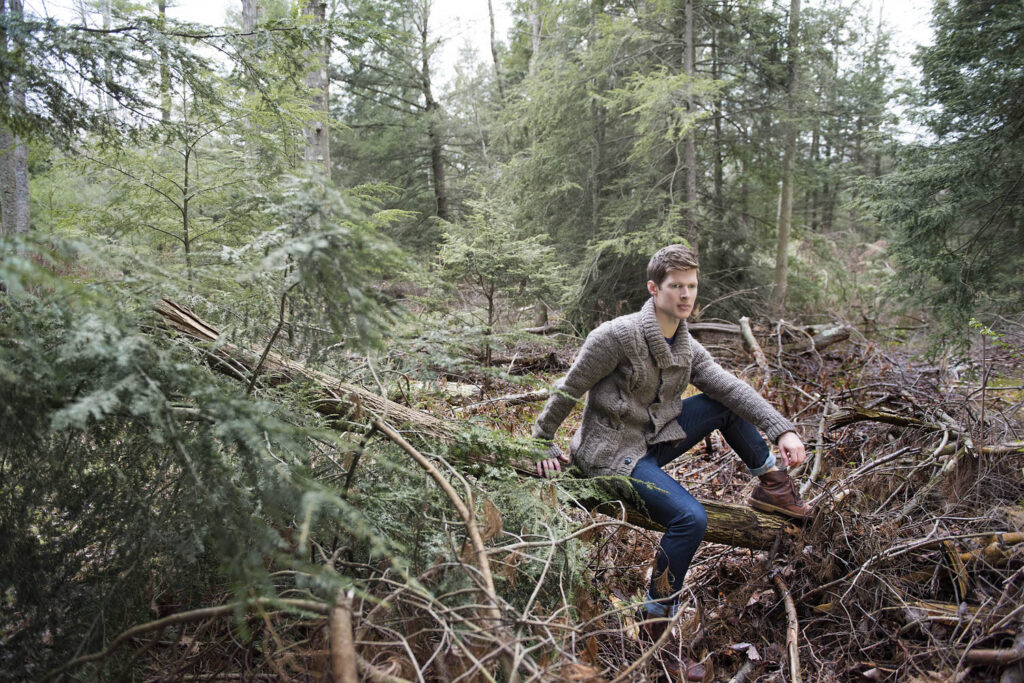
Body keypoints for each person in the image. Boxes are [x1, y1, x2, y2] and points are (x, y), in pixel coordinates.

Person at [531, 244, 812, 680]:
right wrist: (541, 442)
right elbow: (568, 388)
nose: (685, 295)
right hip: (609, 455)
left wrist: (782, 429)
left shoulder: (685, 344)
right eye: (675, 286)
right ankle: (654, 628)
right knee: (690, 518)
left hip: (653, 441)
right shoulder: (615, 336)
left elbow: (731, 387)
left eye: (691, 286)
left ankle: (773, 484)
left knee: (725, 402)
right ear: (653, 288)